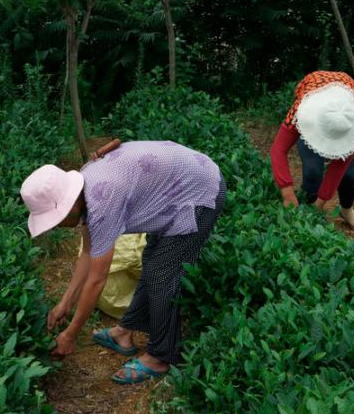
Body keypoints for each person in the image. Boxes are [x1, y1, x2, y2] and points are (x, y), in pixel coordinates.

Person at [20, 141, 225, 385]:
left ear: (69, 205)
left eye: (55, 219)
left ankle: (160, 357)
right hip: (175, 187)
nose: (55, 226)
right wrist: (65, 303)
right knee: (152, 261)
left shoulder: (102, 199)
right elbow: (88, 252)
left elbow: (97, 280)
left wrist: (70, 334)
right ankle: (124, 331)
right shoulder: (86, 187)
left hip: (200, 191)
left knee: (163, 273)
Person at [270, 71, 354, 231]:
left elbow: (337, 169)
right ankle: (307, 210)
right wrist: (287, 193)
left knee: (349, 176)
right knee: (312, 171)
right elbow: (278, 150)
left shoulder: (352, 121)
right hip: (316, 114)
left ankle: (346, 209)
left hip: (342, 116)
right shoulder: (301, 111)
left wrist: (321, 202)